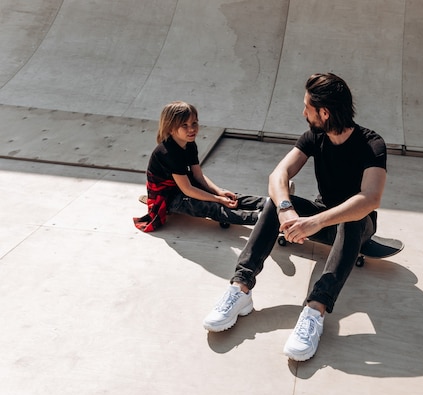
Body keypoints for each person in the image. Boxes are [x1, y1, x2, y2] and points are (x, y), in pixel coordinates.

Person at [203, 73, 387, 361]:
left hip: (356, 227)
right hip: (318, 221)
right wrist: (286, 209)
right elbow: (279, 174)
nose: (303, 113)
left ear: (324, 112)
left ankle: (315, 309)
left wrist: (315, 221)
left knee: (353, 217)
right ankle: (241, 288)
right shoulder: (315, 136)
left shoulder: (371, 144)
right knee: (271, 203)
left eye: (307, 107)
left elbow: (369, 198)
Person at [133, 101, 266, 232]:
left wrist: (218, 192)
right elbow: (187, 190)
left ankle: (265, 203)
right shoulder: (168, 152)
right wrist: (217, 199)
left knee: (228, 196)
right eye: (184, 125)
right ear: (171, 128)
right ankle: (259, 218)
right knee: (211, 207)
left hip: (184, 185)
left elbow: (198, 176)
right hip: (169, 197)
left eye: (194, 123)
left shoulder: (189, 144)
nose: (191, 129)